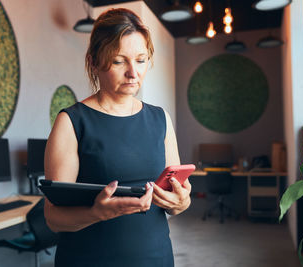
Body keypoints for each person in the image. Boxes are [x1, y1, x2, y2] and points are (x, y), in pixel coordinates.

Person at [44, 8, 192, 267]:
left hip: (155, 258)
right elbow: (53, 218)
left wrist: (181, 201)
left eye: (141, 59)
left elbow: (175, 202)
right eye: (118, 61)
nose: (133, 73)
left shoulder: (161, 120)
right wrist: (95, 213)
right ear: (94, 62)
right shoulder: (71, 122)